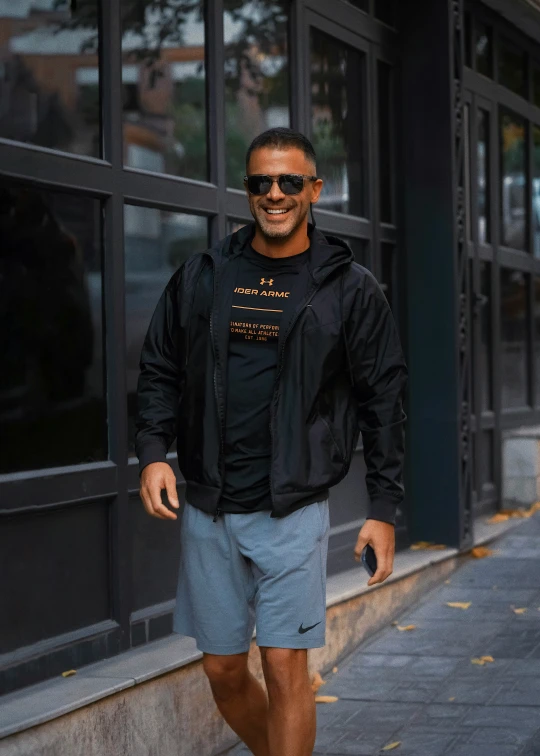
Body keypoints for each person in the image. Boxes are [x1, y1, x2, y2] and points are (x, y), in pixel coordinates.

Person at [135, 127, 407, 756]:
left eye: (290, 181)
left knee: (286, 667)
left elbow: (383, 400)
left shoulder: (349, 288)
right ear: (248, 191)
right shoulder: (204, 276)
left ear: (313, 189)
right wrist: (153, 453)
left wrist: (383, 508)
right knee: (224, 674)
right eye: (262, 182)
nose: (275, 194)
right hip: (208, 508)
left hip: (291, 510)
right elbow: (160, 369)